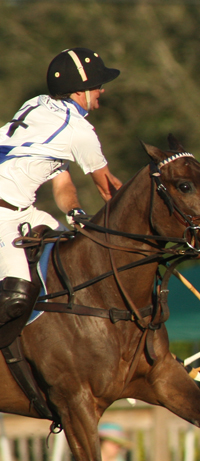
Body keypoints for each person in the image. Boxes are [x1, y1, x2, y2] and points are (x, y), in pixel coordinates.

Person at [0, 47, 122, 327]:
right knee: (16, 295)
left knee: (74, 259)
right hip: (1, 214)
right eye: (98, 85)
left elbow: (61, 180)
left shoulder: (40, 103)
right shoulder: (79, 132)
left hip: (23, 211)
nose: (102, 91)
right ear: (81, 90)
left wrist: (75, 211)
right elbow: (109, 190)